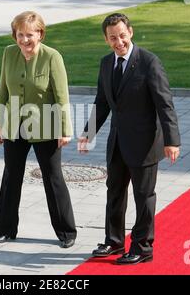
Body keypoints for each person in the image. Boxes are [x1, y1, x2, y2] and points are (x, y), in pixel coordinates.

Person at [78, 13, 181, 264]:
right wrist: (88, 133)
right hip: (117, 143)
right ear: (106, 39)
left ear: (131, 32)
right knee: (114, 192)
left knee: (143, 196)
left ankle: (142, 247)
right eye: (113, 38)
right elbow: (102, 103)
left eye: (122, 35)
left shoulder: (149, 62)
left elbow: (164, 104)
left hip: (145, 143)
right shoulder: (105, 63)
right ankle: (113, 242)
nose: (119, 41)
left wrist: (172, 140)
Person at [0, 11, 77, 248]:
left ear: (40, 34)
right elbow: (3, 91)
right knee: (11, 176)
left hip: (46, 126)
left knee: (53, 178)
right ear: (14, 35)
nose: (24, 40)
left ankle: (66, 232)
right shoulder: (9, 53)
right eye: (20, 35)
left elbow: (62, 96)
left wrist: (64, 129)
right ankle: (5, 230)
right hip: (14, 126)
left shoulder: (52, 57)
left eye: (29, 35)